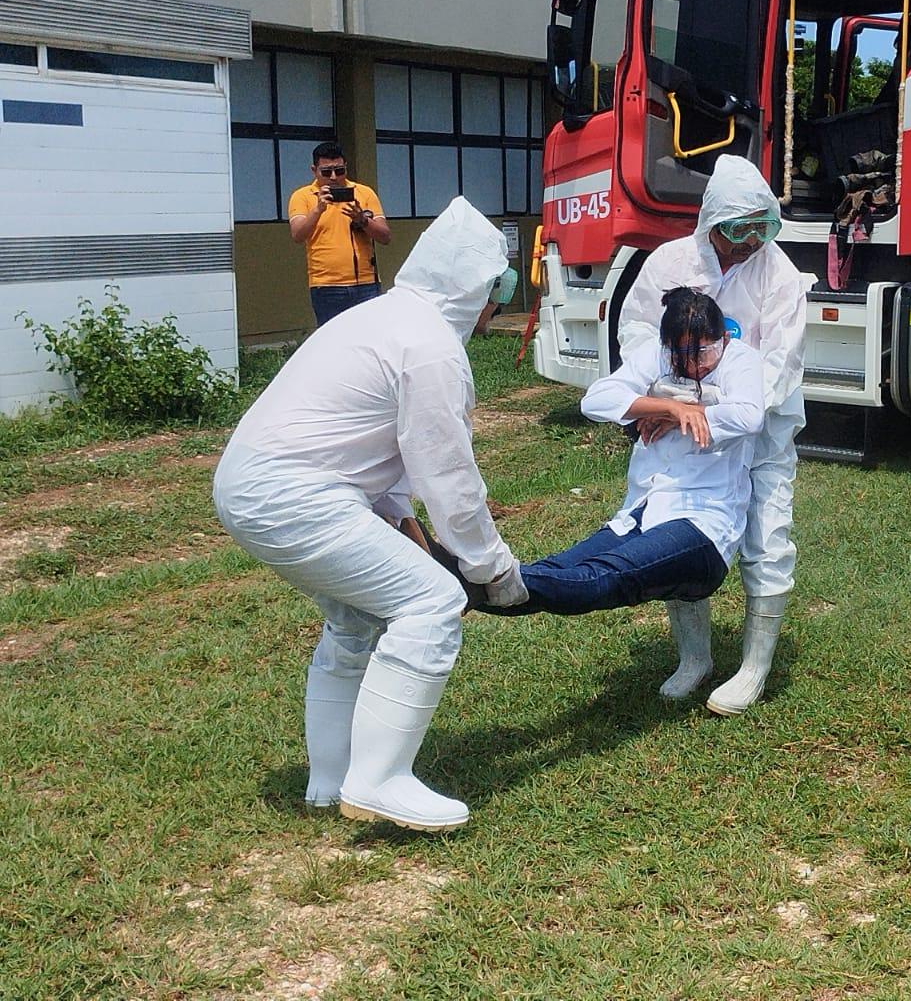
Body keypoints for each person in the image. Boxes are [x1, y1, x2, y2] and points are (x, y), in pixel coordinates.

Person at [213, 196, 526, 833]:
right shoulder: (431, 347)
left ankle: (329, 781)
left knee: (356, 623)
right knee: (432, 604)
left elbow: (386, 477)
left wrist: (418, 542)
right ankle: (381, 780)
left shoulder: (385, 318)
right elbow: (450, 483)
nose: (504, 297)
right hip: (296, 496)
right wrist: (496, 569)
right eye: (503, 283)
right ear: (475, 286)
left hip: (250, 486)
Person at [616, 155, 808, 716]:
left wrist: (690, 401)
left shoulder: (780, 275)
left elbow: (777, 366)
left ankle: (754, 667)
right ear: (711, 223)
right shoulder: (670, 263)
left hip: (761, 432)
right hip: (686, 435)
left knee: (767, 537)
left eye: (762, 227)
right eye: (738, 229)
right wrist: (661, 396)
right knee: (678, 527)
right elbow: (636, 332)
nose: (750, 241)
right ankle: (694, 659)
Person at [472, 288, 765, 619]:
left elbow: (750, 416)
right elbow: (596, 400)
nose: (691, 365)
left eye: (703, 353)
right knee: (560, 569)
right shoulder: (657, 355)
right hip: (643, 509)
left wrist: (691, 411)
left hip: (703, 522)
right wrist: (668, 407)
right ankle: (464, 587)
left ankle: (471, 583)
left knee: (599, 578)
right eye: (678, 355)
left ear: (724, 339)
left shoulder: (741, 359)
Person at [287, 141, 392, 327]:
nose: (334, 177)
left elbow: (385, 236)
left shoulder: (364, 193)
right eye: (326, 172)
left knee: (370, 339)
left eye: (340, 170)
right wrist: (318, 209)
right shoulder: (302, 196)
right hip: (326, 285)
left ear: (346, 167)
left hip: (365, 283)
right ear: (314, 170)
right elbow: (297, 235)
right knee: (332, 344)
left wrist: (363, 220)